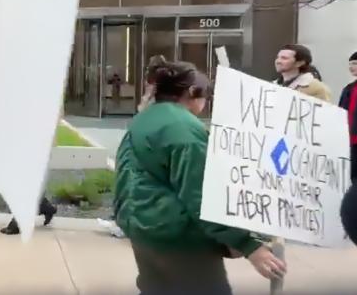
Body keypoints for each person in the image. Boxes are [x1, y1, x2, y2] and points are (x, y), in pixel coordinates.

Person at [115, 61, 285, 294]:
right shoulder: (184, 128)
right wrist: (248, 244)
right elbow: (202, 195)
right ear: (193, 93)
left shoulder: (144, 118)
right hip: (179, 235)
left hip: (141, 225)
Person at [339, 52, 357, 183]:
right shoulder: (349, 88)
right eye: (350, 64)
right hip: (349, 140)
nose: (351, 67)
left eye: (355, 63)